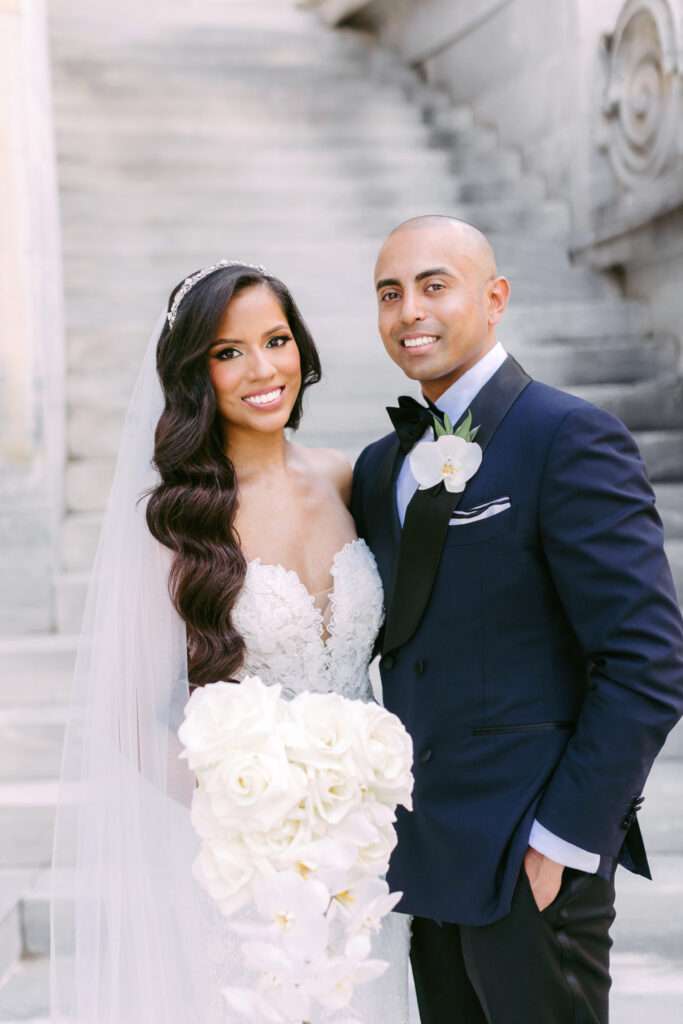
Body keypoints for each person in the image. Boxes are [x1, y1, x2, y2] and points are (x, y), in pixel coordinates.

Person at [51, 260, 410, 1024]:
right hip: (246, 867)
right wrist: (262, 823)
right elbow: (125, 720)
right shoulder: (175, 524)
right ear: (193, 376)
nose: (261, 369)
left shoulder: (345, 479)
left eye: (275, 340)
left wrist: (345, 812)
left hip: (364, 852)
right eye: (227, 352)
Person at [351, 216, 683, 1024]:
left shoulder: (569, 436)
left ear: (494, 298)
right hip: (425, 861)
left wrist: (562, 845)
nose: (408, 312)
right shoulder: (375, 467)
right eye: (389, 294)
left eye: (435, 285)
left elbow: (647, 661)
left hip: (529, 859)